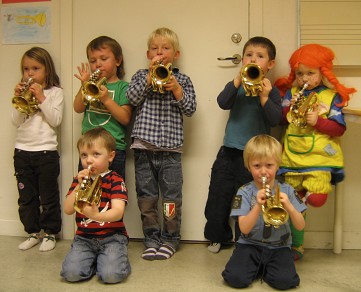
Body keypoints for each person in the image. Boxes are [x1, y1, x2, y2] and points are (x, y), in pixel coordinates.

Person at [274, 44, 356, 260]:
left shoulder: (332, 97)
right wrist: (288, 109)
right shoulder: (291, 93)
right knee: (292, 206)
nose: (304, 79)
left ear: (323, 73)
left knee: (317, 200)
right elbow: (280, 121)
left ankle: (304, 203)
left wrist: (318, 121)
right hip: (292, 158)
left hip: (319, 159)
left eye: (310, 73)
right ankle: (296, 247)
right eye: (300, 74)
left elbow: (340, 129)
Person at [204, 36, 282, 253]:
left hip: (256, 159)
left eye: (260, 56)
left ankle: (244, 239)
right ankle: (217, 236)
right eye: (249, 55)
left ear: (270, 64)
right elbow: (222, 102)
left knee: (248, 199)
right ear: (242, 61)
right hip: (229, 151)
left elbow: (276, 119)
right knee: (218, 196)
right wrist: (237, 80)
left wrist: (265, 97)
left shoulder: (271, 90)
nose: (253, 59)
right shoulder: (237, 86)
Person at [126, 27, 196, 260]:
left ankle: (170, 239)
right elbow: (131, 99)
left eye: (166, 48)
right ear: (148, 55)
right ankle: (151, 238)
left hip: (170, 151)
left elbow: (190, 109)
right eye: (155, 49)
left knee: (170, 199)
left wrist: (176, 88)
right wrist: (148, 78)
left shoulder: (183, 80)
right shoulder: (140, 75)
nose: (160, 53)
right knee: (146, 198)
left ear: (175, 54)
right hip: (143, 149)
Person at [222, 134, 306, 290]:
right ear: (248, 166)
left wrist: (289, 205)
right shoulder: (244, 192)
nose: (263, 172)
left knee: (286, 282)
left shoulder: (288, 190)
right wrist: (257, 207)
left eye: (269, 165)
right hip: (249, 245)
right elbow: (245, 229)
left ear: (278, 165)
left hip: (279, 247)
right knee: (235, 278)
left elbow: (300, 226)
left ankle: (262, 268)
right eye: (256, 166)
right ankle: (258, 266)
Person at [60, 127, 131, 283]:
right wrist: (79, 186)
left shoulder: (116, 180)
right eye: (84, 155)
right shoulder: (78, 179)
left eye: (96, 154)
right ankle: (94, 262)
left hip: (112, 237)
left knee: (111, 276)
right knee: (71, 274)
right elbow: (67, 209)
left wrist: (96, 216)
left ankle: (113, 259)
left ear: (111, 156)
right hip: (84, 238)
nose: (89, 160)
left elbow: (118, 212)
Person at [12, 47, 64, 252]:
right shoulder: (22, 93)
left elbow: (56, 120)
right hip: (22, 152)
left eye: (35, 68)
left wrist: (42, 98)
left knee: (49, 196)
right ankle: (33, 232)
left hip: (46, 153)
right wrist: (18, 99)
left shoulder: (55, 93)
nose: (30, 73)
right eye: (26, 69)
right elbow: (15, 122)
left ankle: (50, 233)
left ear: (47, 71)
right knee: (26, 198)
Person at [73, 35, 132, 179]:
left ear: (118, 60)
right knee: (85, 189)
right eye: (92, 61)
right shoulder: (89, 86)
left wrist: (106, 99)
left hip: (114, 150)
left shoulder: (123, 87)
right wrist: (84, 86)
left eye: (104, 59)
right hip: (88, 149)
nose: (97, 64)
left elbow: (125, 118)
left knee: (114, 191)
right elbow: (77, 107)